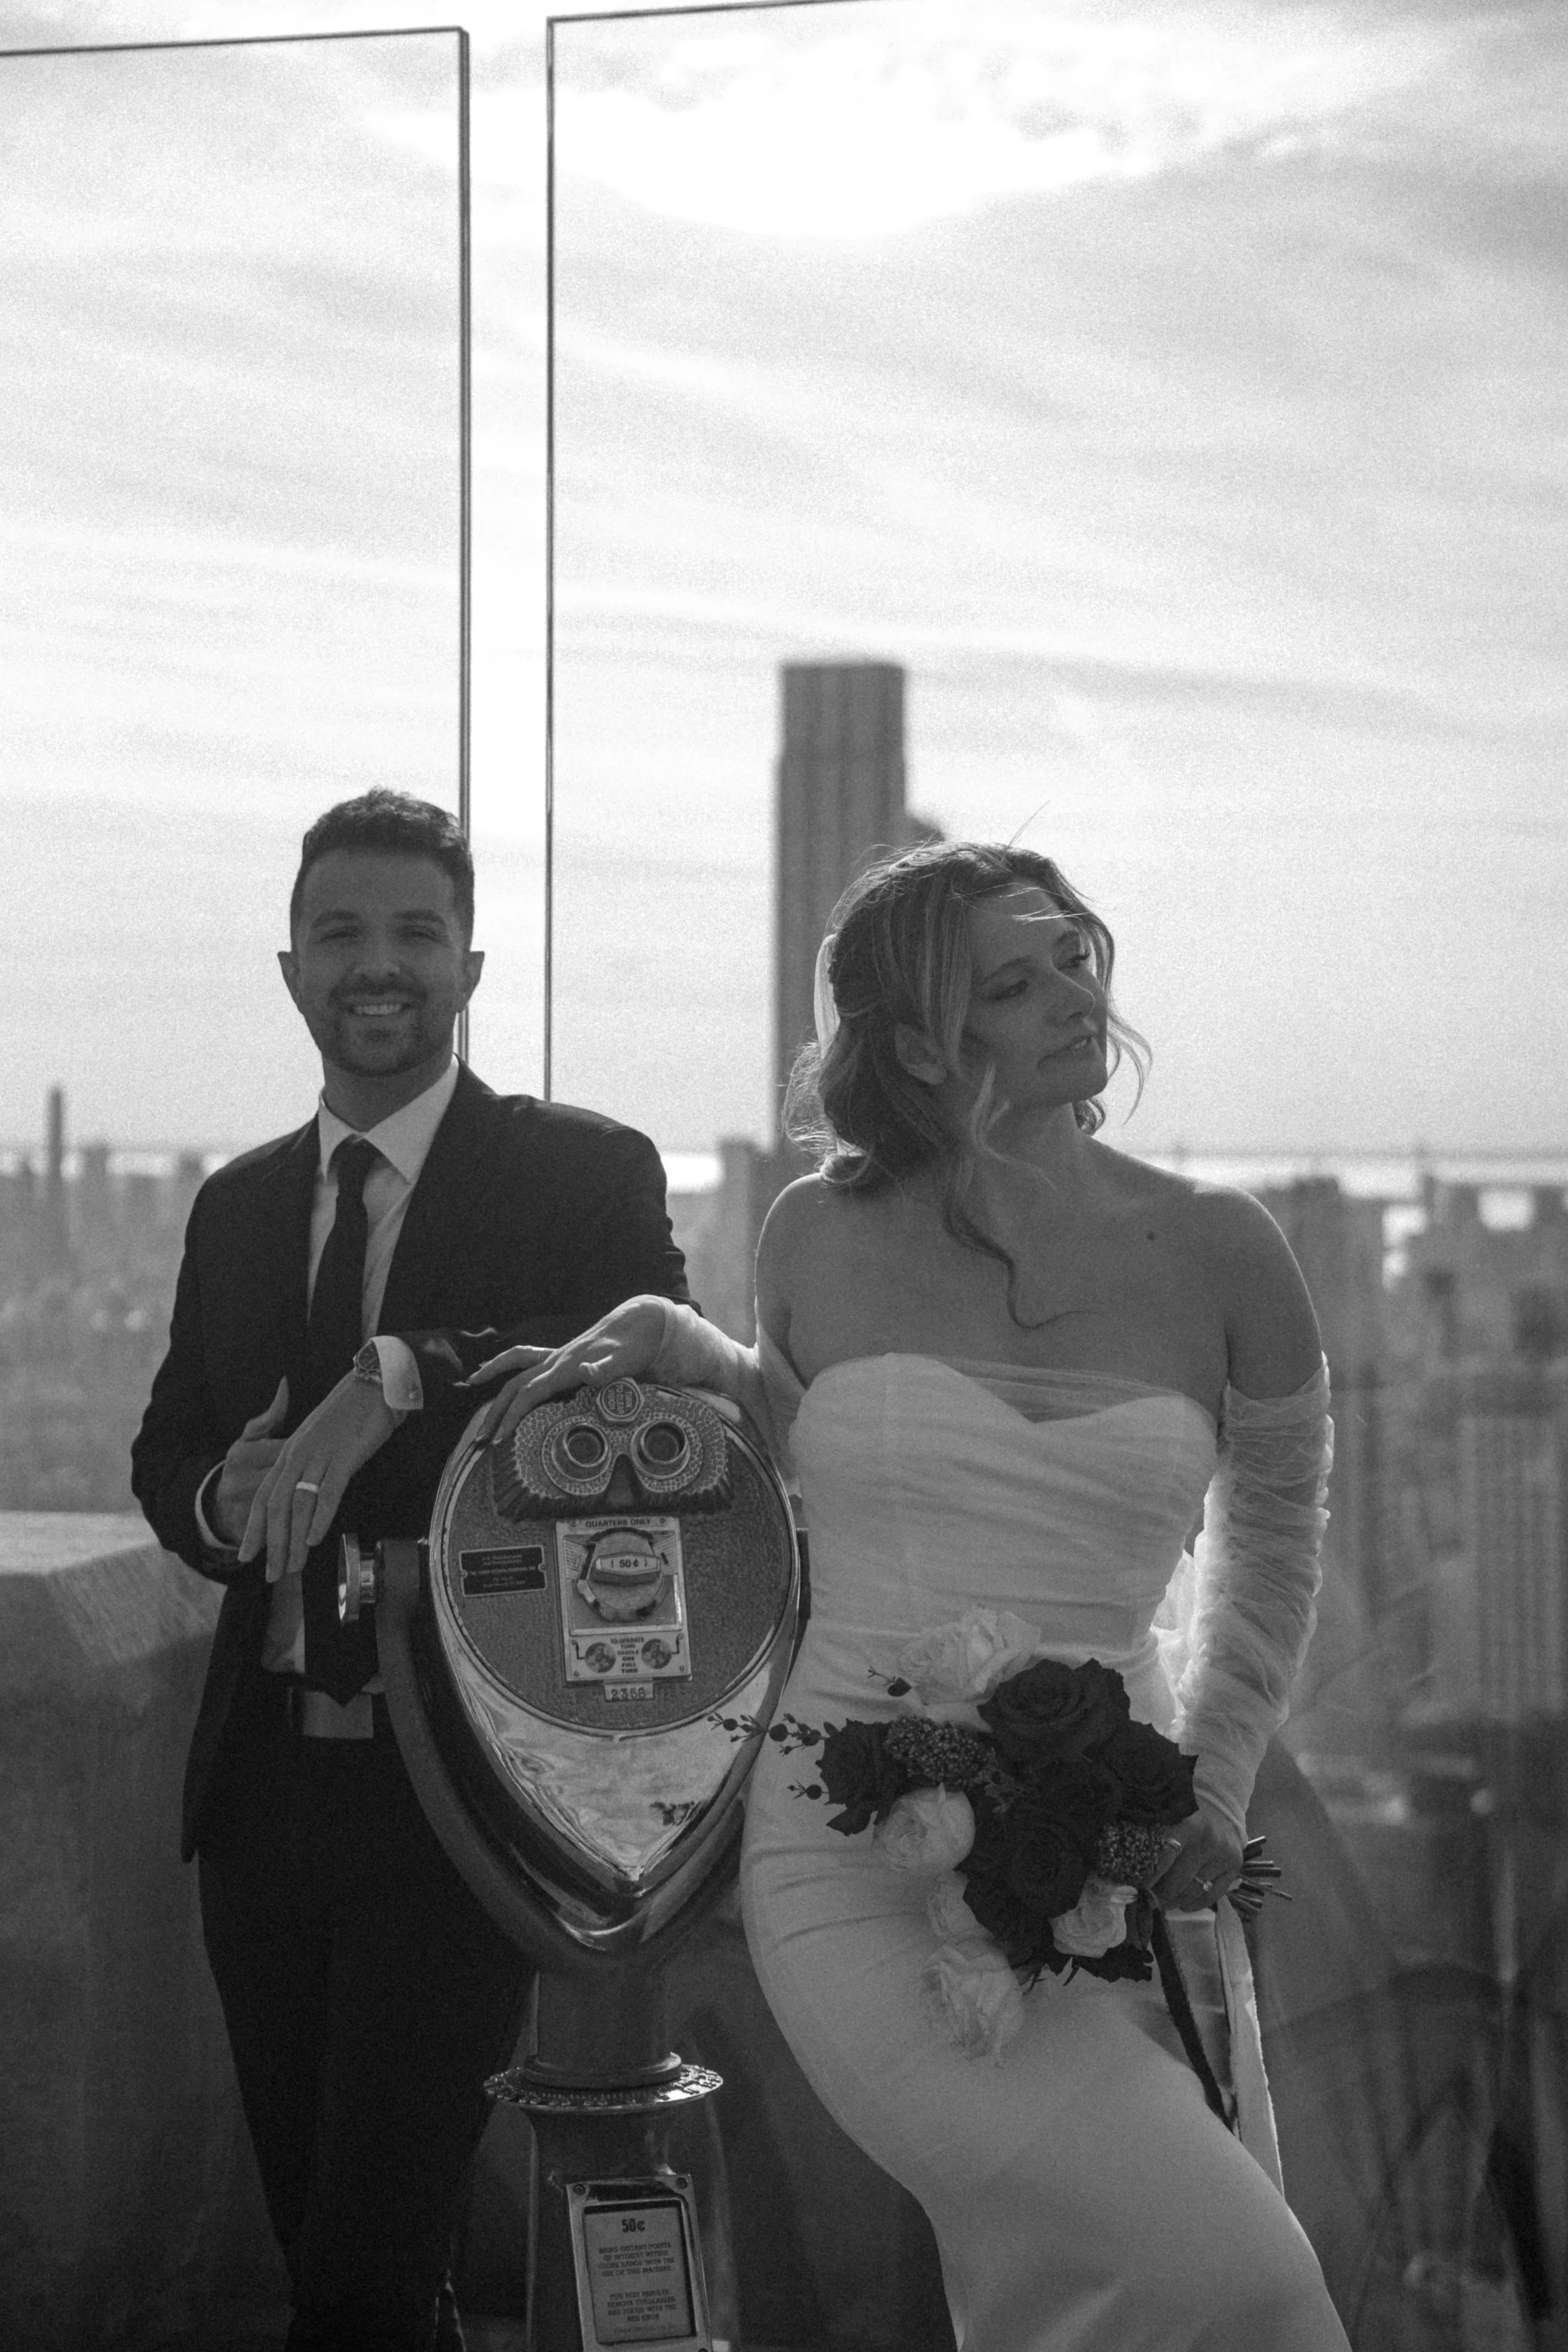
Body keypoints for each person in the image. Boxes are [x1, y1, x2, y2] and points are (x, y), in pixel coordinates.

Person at [475, 840, 1353, 2351]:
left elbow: (1271, 1535)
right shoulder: (814, 1230)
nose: (1071, 996)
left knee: (1080, 2293)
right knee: (1240, 2283)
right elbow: (826, 1462)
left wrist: (1208, 1781)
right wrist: (690, 1352)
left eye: (1071, 953)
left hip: (1112, 1868)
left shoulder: (1225, 1249)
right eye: (1011, 983)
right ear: (916, 1044)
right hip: (841, 1857)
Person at [131, 790, 690, 2352]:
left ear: (472, 966)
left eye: (414, 935)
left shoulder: (579, 1171)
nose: (379, 965)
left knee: (361, 2277)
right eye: (343, 934)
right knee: (332, 2243)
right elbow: (165, 1451)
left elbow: (635, 1385)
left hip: (456, 1798)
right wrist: (219, 1498)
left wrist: (400, 1367)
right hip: (258, 1801)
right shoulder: (239, 1206)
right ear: (293, 967)